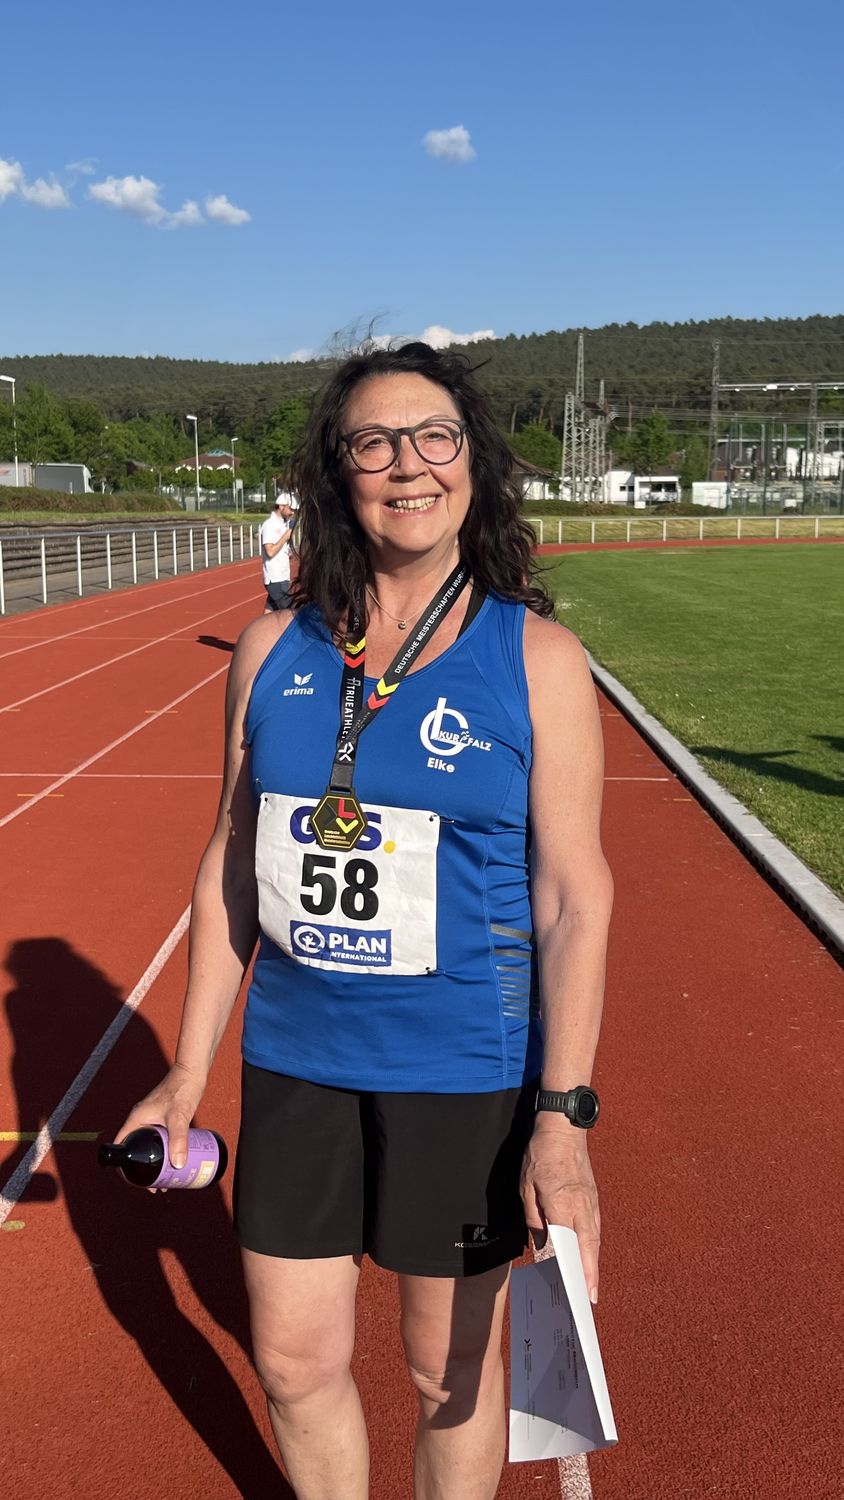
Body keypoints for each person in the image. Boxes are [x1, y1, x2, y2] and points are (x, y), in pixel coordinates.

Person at [116, 341, 613, 1500]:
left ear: (473, 463)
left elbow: (575, 898)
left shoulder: (536, 660)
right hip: (296, 1063)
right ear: (336, 472)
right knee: (293, 1366)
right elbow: (231, 865)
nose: (407, 464)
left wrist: (562, 1120)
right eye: (373, 442)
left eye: (434, 436)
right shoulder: (268, 649)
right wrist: (186, 1072)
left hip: (463, 1074)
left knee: (448, 1374)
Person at [259, 494, 297, 612]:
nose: (292, 513)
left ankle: (262, 626)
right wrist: (285, 537)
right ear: (281, 506)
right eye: (290, 509)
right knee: (291, 613)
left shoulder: (282, 524)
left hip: (282, 577)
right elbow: (270, 551)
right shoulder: (270, 525)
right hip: (276, 579)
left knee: (269, 612)